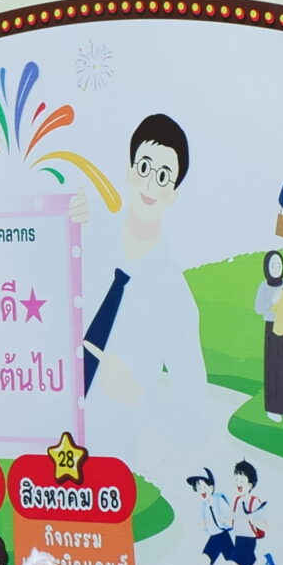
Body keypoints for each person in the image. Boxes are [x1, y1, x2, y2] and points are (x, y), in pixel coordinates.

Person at [78, 114, 208, 498]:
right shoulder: (85, 233)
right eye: (145, 168)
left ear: (174, 194)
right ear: (129, 171)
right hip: (42, 444)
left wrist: (136, 395)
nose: (151, 184)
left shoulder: (176, 299)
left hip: (110, 466)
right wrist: (60, 220)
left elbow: (196, 421)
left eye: (164, 177)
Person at [255, 250, 283, 423]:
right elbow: (258, 309)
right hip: (271, 329)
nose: (276, 268)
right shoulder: (264, 286)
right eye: (273, 265)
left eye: (279, 264)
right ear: (266, 267)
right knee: (273, 369)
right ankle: (272, 409)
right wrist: (272, 300)